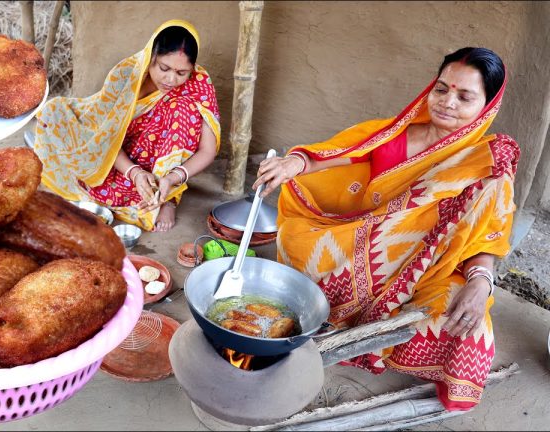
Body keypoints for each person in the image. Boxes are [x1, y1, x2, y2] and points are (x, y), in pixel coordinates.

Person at [253, 47, 520, 411]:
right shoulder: (394, 132)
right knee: (295, 239)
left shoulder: (488, 166)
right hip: (358, 245)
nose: (447, 102)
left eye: (464, 96)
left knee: (468, 326)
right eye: (441, 89)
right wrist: (293, 164)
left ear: (488, 107)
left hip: (432, 269)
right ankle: (343, 317)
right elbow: (337, 153)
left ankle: (371, 331)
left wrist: (480, 282)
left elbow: (488, 235)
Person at [31, 20, 220, 232]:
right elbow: (105, 136)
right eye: (164, 68)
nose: (171, 79)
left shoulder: (198, 84)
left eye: (181, 73)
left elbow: (207, 150)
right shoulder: (126, 74)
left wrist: (172, 178)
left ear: (192, 69)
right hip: (119, 155)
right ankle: (141, 187)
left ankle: (166, 198)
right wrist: (135, 173)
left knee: (183, 107)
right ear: (151, 58)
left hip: (163, 170)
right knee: (53, 112)